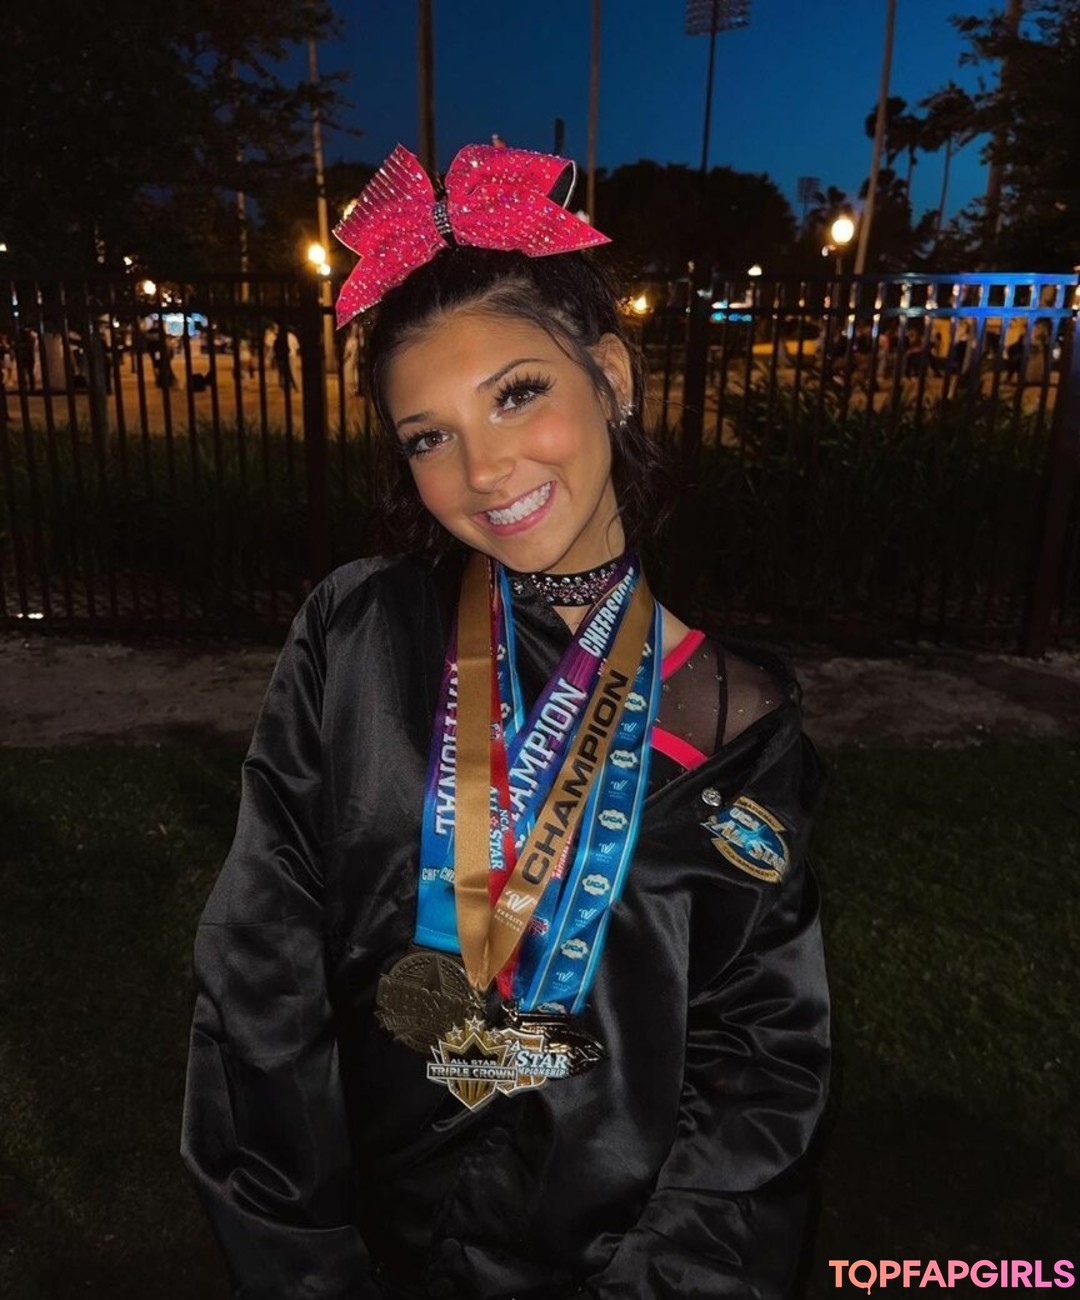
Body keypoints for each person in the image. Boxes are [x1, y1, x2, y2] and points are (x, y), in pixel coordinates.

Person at [182, 143, 830, 1300]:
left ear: (611, 376)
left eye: (517, 393)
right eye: (428, 435)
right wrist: (310, 1267)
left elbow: (761, 1064)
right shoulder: (359, 636)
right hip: (375, 1245)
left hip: (612, 1262)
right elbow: (258, 983)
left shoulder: (739, 720)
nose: (483, 469)